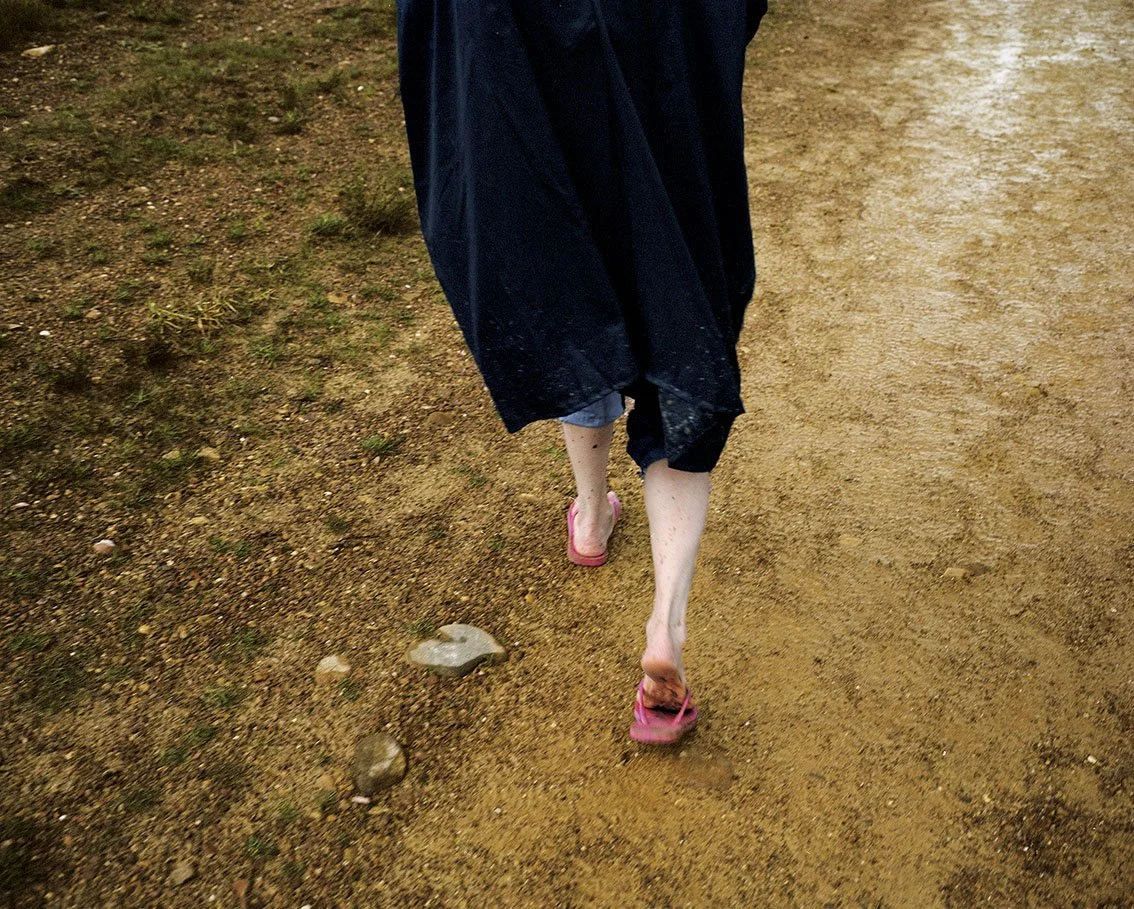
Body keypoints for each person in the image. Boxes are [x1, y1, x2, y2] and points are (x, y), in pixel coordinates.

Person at [395, 1, 766, 745]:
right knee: (676, 326)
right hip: (662, 74)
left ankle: (592, 518)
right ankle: (665, 624)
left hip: (520, 80)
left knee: (574, 302)